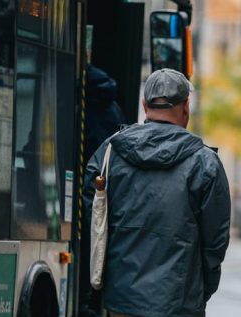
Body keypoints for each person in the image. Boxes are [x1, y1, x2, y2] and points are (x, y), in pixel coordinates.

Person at [82, 69, 231, 317]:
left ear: (144, 105)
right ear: (186, 107)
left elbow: (94, 217)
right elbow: (215, 243)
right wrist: (202, 290)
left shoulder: (110, 152)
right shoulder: (205, 163)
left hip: (121, 299)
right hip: (179, 302)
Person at [80, 63, 127, 317]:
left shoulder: (79, 104)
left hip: (93, 189)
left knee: (93, 235)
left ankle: (90, 298)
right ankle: (93, 298)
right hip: (108, 190)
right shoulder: (113, 108)